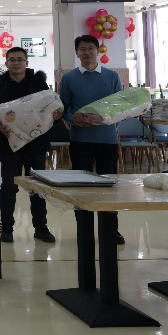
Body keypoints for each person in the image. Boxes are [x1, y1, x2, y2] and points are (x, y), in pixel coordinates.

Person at [0, 47, 59, 244]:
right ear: (7, 63)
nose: (16, 63)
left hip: (36, 144)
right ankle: (7, 228)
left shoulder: (38, 83)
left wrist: (56, 116)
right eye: (12, 60)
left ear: (27, 62)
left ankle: (41, 228)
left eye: (20, 59)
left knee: (38, 187)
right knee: (8, 187)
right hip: (10, 144)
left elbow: (50, 109)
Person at [59, 34, 125, 244]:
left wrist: (107, 119)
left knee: (109, 186)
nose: (87, 52)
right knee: (81, 187)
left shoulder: (112, 76)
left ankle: (111, 230)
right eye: (82, 49)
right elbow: (63, 109)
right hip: (80, 140)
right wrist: (74, 119)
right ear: (77, 53)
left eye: (90, 48)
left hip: (108, 140)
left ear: (98, 51)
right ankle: (84, 230)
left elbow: (120, 107)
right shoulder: (68, 78)